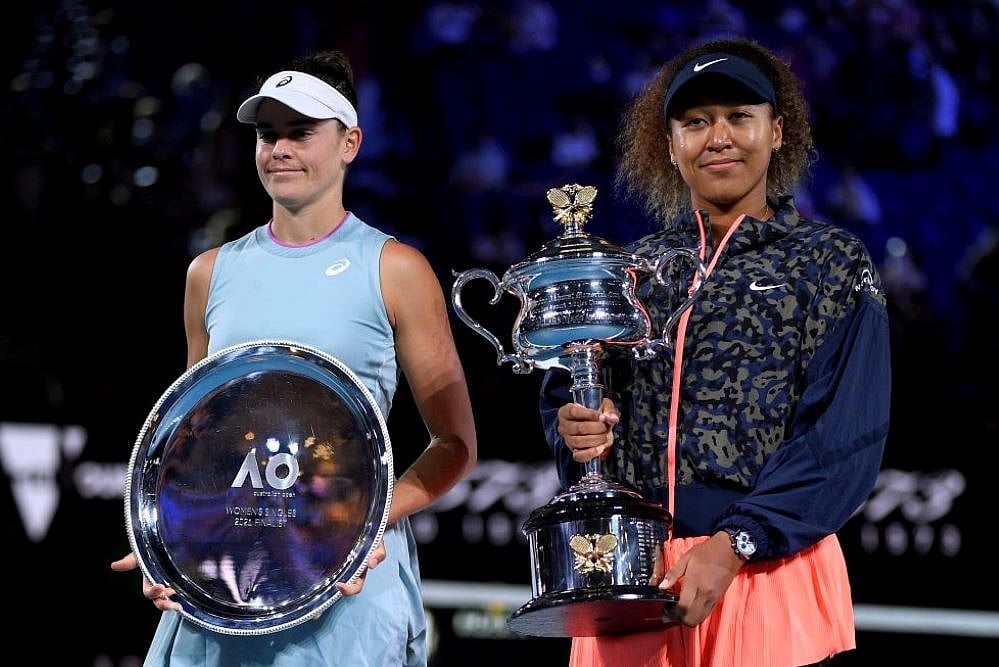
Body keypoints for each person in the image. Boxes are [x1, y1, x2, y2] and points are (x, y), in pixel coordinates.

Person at [111, 49, 477, 666]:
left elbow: (455, 444)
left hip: (347, 589)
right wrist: (170, 544)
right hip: (228, 588)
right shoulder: (209, 272)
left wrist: (359, 520)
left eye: (301, 133)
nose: (279, 149)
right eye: (267, 134)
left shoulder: (395, 269)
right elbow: (195, 446)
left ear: (350, 143)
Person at [540, 37, 889, 666]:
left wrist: (736, 544)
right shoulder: (629, 270)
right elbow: (570, 397)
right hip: (632, 575)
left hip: (765, 570)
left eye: (739, 116)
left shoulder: (831, 263)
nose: (718, 137)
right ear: (670, 144)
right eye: (696, 122)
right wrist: (578, 428)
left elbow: (840, 439)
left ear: (776, 132)